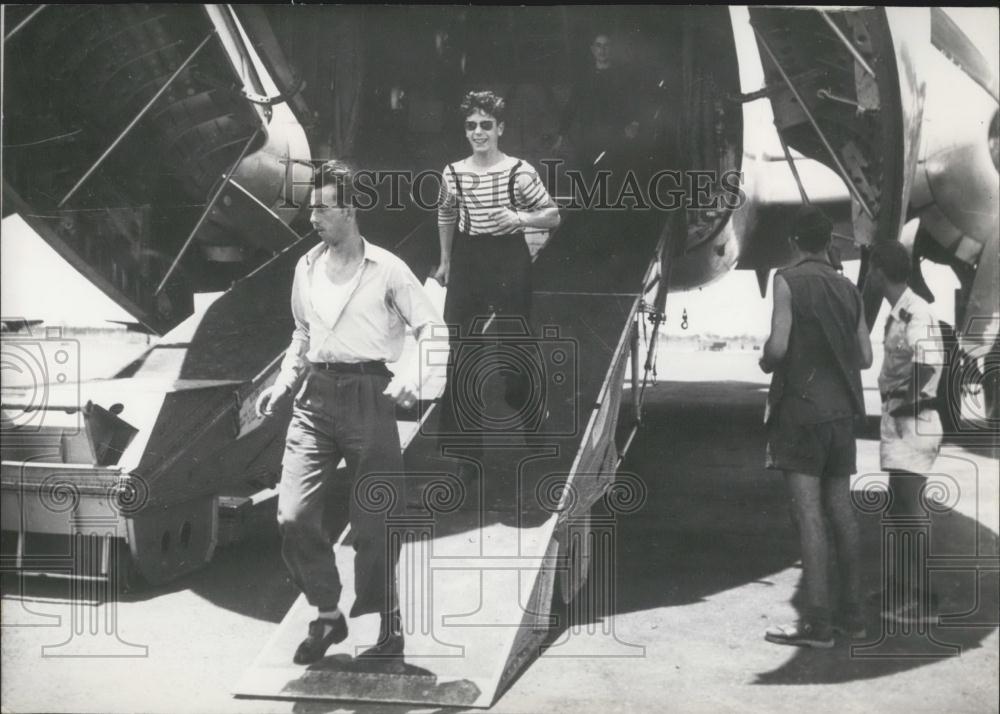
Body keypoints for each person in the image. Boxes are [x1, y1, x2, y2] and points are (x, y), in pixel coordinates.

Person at [256, 160, 441, 665]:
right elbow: (301, 333)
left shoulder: (388, 269)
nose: (312, 217)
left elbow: (433, 330)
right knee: (293, 515)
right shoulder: (306, 267)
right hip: (314, 398)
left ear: (351, 210)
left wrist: (411, 377)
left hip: (369, 396)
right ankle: (328, 615)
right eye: (312, 207)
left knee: (376, 521)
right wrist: (282, 382)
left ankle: (387, 621)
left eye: (322, 208)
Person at [759, 207, 873, 648]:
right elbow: (864, 357)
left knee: (808, 514)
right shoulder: (850, 289)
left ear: (794, 241)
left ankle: (818, 624)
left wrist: (766, 359)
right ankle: (853, 618)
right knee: (840, 511)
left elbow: (778, 346)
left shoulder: (786, 280)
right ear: (830, 241)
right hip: (842, 414)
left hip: (802, 414)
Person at [433, 90, 560, 480]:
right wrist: (446, 261)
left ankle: (533, 420)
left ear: (500, 128)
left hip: (508, 258)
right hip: (470, 258)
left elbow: (553, 215)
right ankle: (468, 456)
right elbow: (445, 216)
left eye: (486, 125)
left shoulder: (519, 171)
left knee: (515, 348)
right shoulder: (452, 173)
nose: (478, 132)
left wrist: (520, 220)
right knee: (461, 353)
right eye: (471, 126)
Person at [866, 240, 945, 623]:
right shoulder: (900, 312)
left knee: (910, 514)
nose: (868, 275)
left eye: (871, 268)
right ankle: (901, 591)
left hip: (914, 420)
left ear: (880, 270)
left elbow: (928, 364)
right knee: (900, 511)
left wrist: (902, 402)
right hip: (904, 420)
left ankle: (924, 601)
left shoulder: (916, 312)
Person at [552, 32, 642, 182]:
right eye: (598, 46)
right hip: (589, 137)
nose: (602, 50)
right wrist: (561, 135)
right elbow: (572, 105)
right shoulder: (584, 77)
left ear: (612, 49)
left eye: (606, 46)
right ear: (593, 49)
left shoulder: (622, 76)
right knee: (588, 180)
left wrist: (634, 123)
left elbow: (634, 101)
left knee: (613, 180)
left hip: (615, 136)